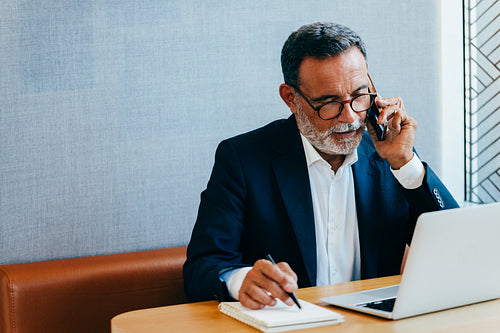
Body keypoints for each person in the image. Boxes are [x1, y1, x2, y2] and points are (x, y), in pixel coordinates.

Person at [183, 22, 458, 309]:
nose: (349, 117)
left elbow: (456, 245)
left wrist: (405, 163)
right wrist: (241, 281)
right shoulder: (242, 159)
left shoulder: (391, 155)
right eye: (329, 103)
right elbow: (202, 267)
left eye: (359, 96)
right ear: (291, 98)